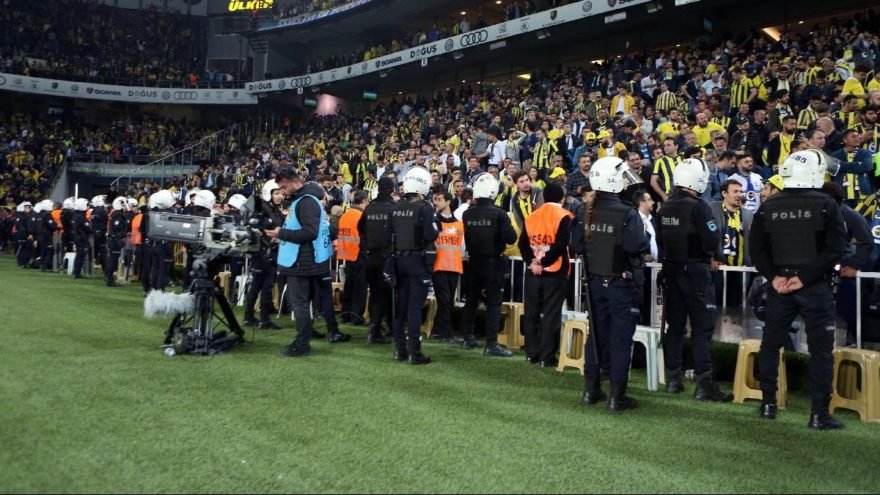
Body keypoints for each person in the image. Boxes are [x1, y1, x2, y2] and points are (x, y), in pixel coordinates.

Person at [749, 149, 847, 429]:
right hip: (813, 287)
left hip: (779, 287)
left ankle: (768, 404)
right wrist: (805, 278)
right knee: (820, 351)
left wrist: (775, 277)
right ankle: (818, 414)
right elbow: (836, 249)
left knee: (771, 344)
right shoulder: (827, 204)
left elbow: (757, 249)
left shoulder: (769, 205)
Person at [657, 158, 733, 402]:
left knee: (675, 328)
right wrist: (713, 254)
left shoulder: (665, 207)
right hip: (696, 273)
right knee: (702, 328)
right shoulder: (699, 207)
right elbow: (712, 239)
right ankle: (704, 384)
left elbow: (660, 241)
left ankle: (673, 380)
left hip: (671, 270)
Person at [579, 157, 649, 411]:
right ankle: (616, 396)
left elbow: (577, 244)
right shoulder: (627, 212)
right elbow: (635, 245)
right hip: (620, 283)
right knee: (621, 340)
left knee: (595, 336)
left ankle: (591, 390)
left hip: (595, 283)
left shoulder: (587, 211)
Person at [269, 170, 349, 358]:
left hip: (302, 262)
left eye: (284, 187)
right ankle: (313, 333)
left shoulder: (305, 202)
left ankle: (302, 343)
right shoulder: (307, 200)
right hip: (312, 259)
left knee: (300, 303)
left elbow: (309, 232)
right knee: (308, 302)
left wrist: (282, 234)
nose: (283, 192)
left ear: (295, 182)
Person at [461, 173, 518, 357]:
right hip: (493, 262)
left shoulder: (468, 213)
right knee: (493, 303)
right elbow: (511, 238)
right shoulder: (499, 214)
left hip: (473, 262)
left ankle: (467, 337)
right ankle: (491, 343)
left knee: (471, 300)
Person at [519, 182, 573, 367]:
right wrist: (544, 262)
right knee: (551, 314)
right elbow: (561, 245)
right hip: (555, 272)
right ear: (562, 198)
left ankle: (531, 353)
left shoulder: (532, 216)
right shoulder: (565, 216)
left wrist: (532, 262)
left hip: (533, 272)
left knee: (532, 313)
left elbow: (523, 245)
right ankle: (546, 357)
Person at [388, 166, 438, 364]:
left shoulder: (397, 207)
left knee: (401, 307)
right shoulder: (424, 207)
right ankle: (414, 353)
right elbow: (431, 234)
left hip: (399, 260)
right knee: (415, 308)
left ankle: (400, 350)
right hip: (417, 261)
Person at [358, 177, 397, 345]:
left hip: (369, 257)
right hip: (386, 257)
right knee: (385, 294)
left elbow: (361, 229)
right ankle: (376, 331)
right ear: (391, 190)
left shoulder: (369, 208)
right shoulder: (393, 208)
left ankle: (380, 327)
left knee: (376, 294)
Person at [244, 180, 285, 330]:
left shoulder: (276, 210)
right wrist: (270, 234)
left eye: (281, 193)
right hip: (263, 252)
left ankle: (250, 317)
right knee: (264, 286)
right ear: (269, 193)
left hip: (271, 251)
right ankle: (263, 319)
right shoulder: (262, 209)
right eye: (277, 193)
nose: (280, 196)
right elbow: (254, 228)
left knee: (259, 285)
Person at [710, 180, 754, 308]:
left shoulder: (748, 214)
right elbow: (707, 235)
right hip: (719, 269)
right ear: (724, 193)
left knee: (736, 309)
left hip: (741, 269)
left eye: (741, 191)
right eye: (735, 191)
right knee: (716, 307)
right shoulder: (713, 208)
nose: (739, 194)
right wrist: (711, 257)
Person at [430, 190, 465, 345]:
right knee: (445, 301)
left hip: (454, 266)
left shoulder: (459, 223)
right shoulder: (434, 222)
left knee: (448, 301)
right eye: (435, 200)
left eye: (439, 199)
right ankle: (446, 333)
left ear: (448, 201)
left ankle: (437, 331)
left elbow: (462, 247)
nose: (436, 202)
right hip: (439, 266)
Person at [337, 191, 369, 326]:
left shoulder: (345, 215)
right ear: (363, 201)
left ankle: (345, 314)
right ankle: (356, 317)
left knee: (349, 286)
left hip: (346, 255)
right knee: (359, 288)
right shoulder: (361, 216)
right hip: (359, 254)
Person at [145, 190, 176, 292]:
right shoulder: (170, 214)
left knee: (155, 269)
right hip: (164, 246)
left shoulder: (153, 213)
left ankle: (152, 291)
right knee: (162, 271)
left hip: (154, 244)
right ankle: (159, 292)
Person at [104, 197, 130, 287]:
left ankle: (109, 279)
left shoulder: (115, 213)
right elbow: (117, 227)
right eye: (123, 204)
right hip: (115, 240)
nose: (125, 206)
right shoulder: (118, 214)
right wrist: (120, 236)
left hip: (113, 239)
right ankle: (108, 280)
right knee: (112, 261)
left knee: (112, 260)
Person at [71, 198, 92, 280]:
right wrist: (95, 231)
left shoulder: (75, 216)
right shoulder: (81, 217)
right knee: (80, 256)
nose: (87, 207)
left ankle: (76, 272)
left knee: (78, 255)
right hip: (81, 238)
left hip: (77, 238)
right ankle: (77, 273)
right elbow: (87, 228)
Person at [33, 200, 57, 272]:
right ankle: (45, 266)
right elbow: (52, 226)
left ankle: (41, 265)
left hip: (40, 235)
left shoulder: (38, 214)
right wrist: (55, 226)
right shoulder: (47, 215)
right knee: (49, 251)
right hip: (47, 235)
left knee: (43, 251)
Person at [90, 195, 108, 272]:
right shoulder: (102, 211)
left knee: (94, 252)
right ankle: (105, 268)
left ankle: (89, 268)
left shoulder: (93, 211)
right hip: (101, 233)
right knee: (103, 252)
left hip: (94, 232)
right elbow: (105, 220)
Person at [13, 201, 34, 268]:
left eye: (29, 207)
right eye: (26, 207)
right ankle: (20, 262)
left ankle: (25, 263)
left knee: (27, 249)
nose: (28, 208)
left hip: (26, 235)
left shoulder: (28, 215)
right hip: (22, 235)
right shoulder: (21, 216)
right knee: (21, 249)